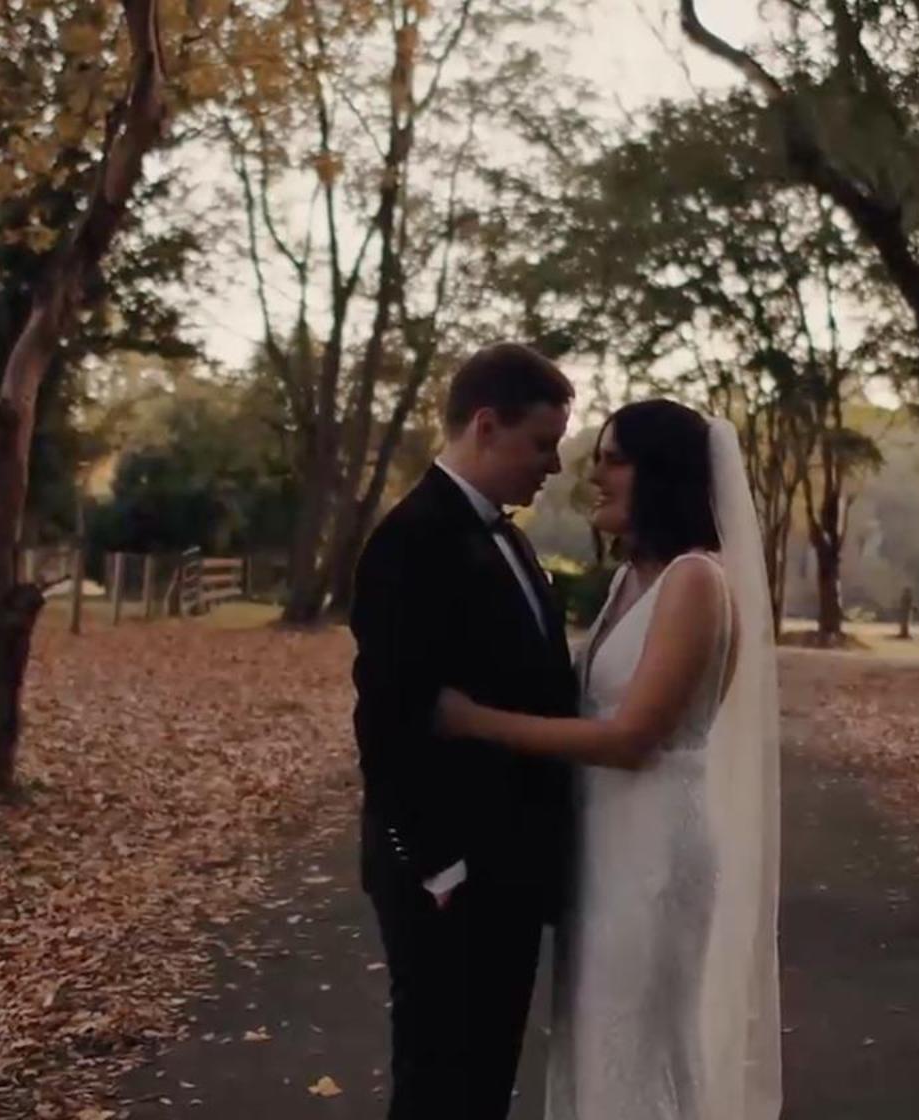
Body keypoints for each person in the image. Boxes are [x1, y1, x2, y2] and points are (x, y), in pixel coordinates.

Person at [436, 398, 783, 1120]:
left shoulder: (695, 580)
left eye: (613, 459)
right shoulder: (634, 581)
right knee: (594, 1042)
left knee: (637, 1047)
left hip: (653, 848)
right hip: (602, 846)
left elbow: (630, 739)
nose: (593, 476)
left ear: (664, 474)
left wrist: (473, 721)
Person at [348, 342, 578, 1119]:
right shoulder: (410, 540)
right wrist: (438, 867)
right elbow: (386, 718)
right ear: (486, 425)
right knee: (439, 1082)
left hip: (507, 863)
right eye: (541, 444)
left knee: (483, 1081)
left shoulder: (506, 538)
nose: (551, 466)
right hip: (447, 872)